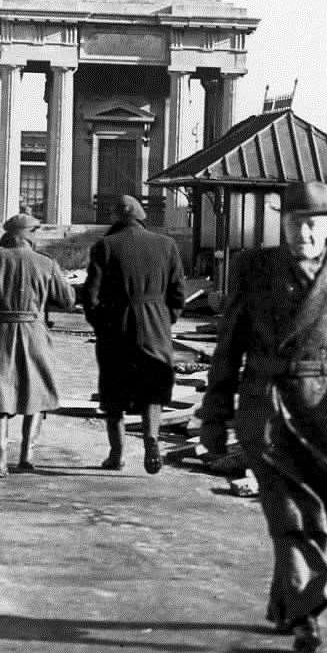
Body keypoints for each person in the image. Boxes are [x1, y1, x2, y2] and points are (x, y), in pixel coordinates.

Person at [199, 181, 327, 653]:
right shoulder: (254, 269)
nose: (304, 233)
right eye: (295, 223)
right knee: (290, 510)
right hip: (265, 402)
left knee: (316, 509)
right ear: (282, 223)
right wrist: (214, 416)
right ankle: (308, 611)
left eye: (313, 223)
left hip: (326, 407)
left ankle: (286, 603)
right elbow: (228, 346)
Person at [82, 195, 186, 474]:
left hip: (116, 324)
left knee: (114, 389)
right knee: (154, 385)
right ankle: (151, 437)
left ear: (117, 218)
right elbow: (178, 292)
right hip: (156, 323)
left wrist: (101, 324)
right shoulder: (167, 245)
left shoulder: (105, 246)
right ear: (141, 217)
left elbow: (90, 295)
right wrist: (165, 319)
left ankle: (116, 454)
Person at [0, 213, 76, 476]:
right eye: (34, 232)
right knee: (35, 393)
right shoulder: (46, 263)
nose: (36, 237)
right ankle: (27, 455)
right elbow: (68, 300)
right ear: (25, 235)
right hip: (34, 331)